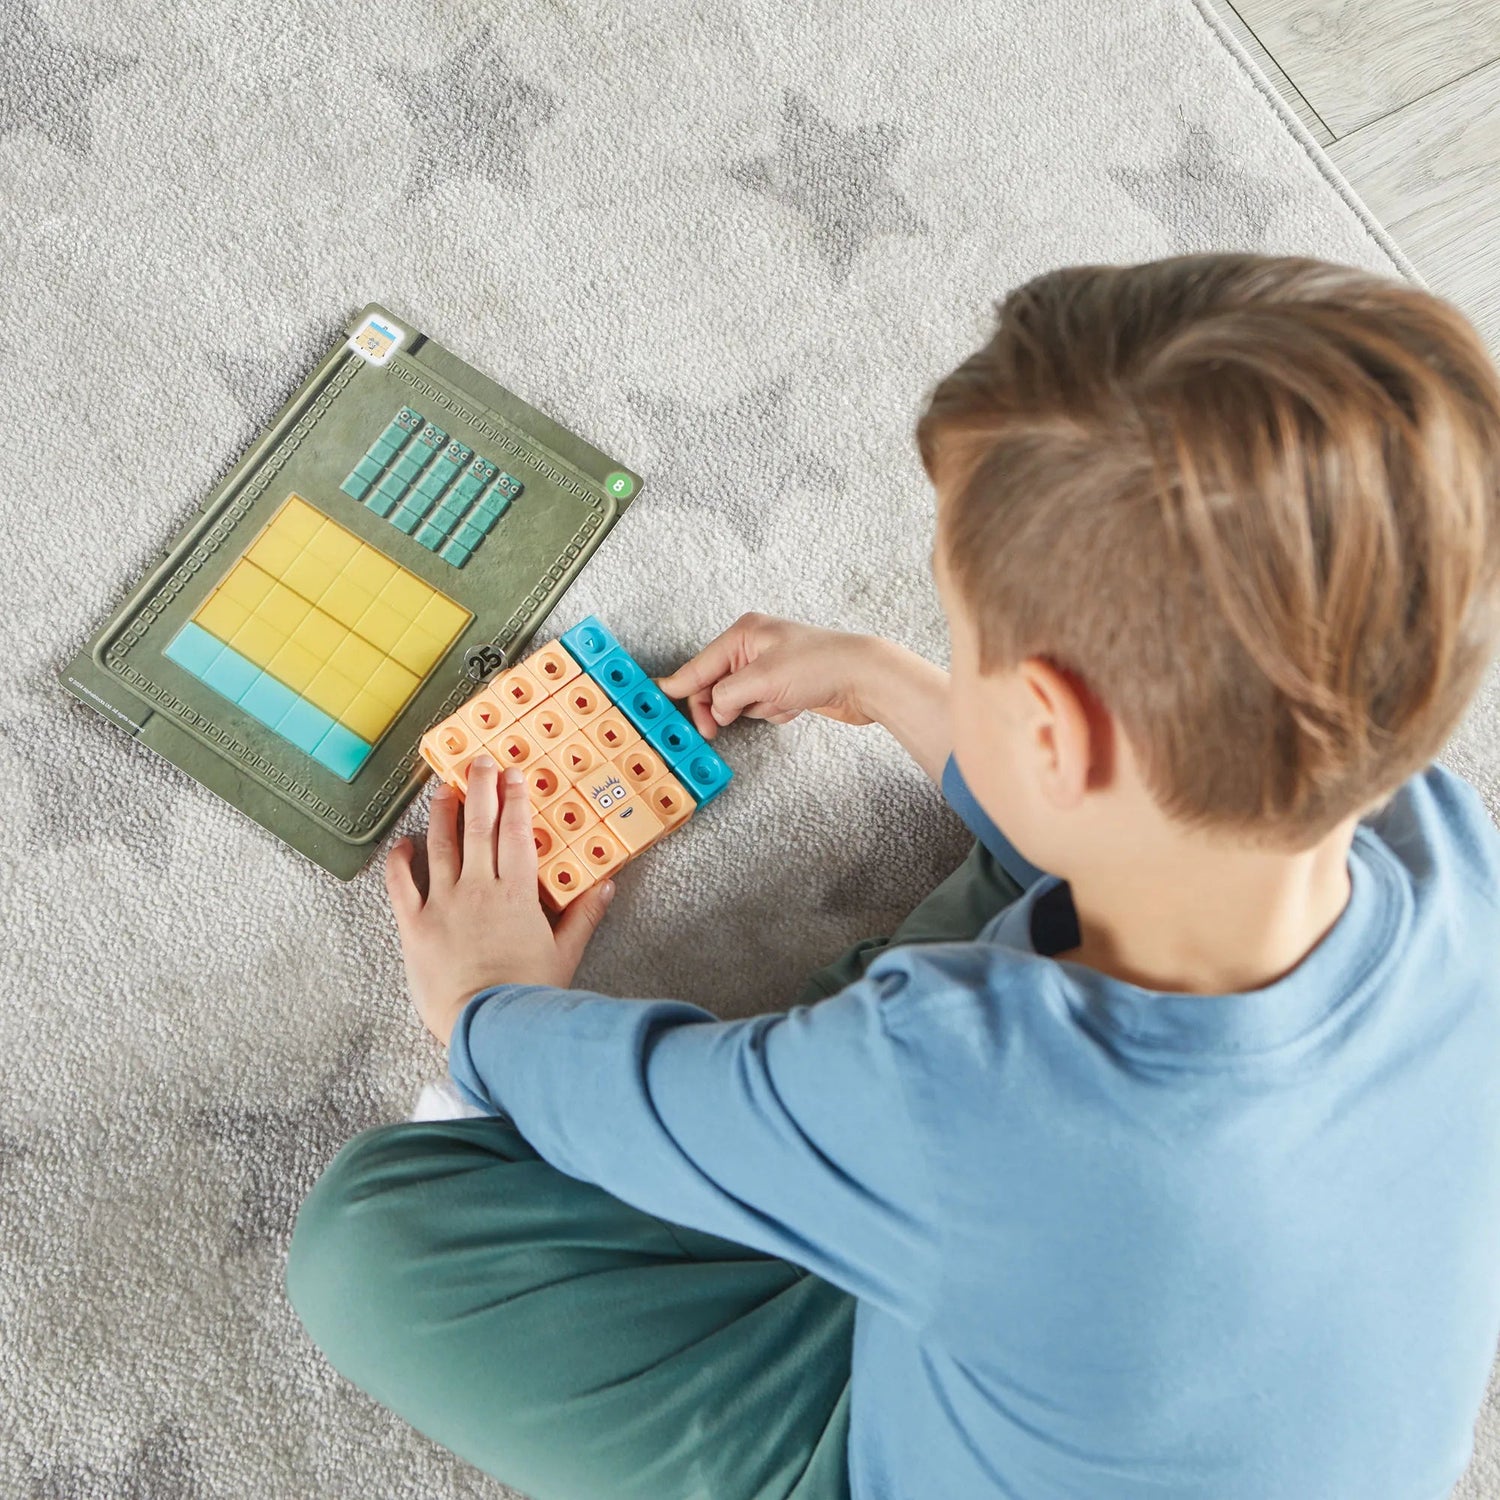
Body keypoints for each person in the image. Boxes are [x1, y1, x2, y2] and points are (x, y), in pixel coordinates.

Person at [285, 254, 1500, 1500]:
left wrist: (489, 1007)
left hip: (952, 1324)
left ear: (1052, 732)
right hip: (1164, 1316)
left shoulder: (953, 1071)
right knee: (1058, 902)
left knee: (368, 1248)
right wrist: (890, 682)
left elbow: (663, 1104)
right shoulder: (1443, 843)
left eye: (960, 647)